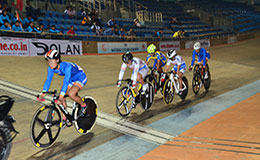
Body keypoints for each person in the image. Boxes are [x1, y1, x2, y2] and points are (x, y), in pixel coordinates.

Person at [38, 50, 88, 127]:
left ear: (57, 60)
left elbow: (66, 81)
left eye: (51, 61)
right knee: (62, 97)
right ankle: (65, 119)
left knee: (71, 94)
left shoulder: (66, 67)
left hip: (80, 77)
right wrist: (43, 92)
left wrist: (61, 96)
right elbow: (48, 80)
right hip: (71, 79)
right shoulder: (51, 68)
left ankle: (83, 105)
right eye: (48, 61)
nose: (49, 63)